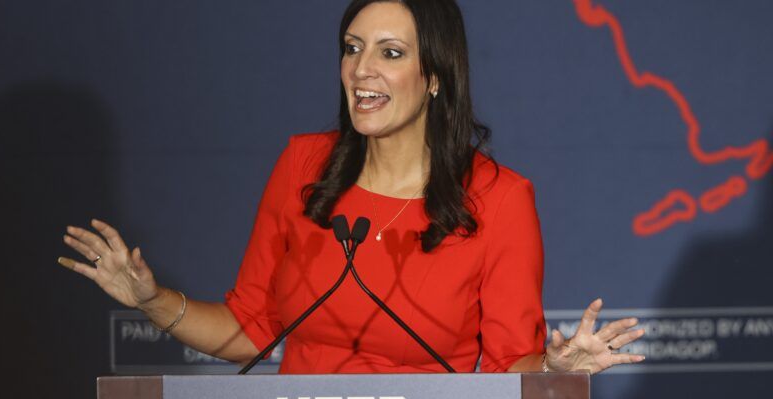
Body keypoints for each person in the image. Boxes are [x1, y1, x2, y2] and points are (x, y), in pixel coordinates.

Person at [58, 0, 644, 374]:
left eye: (390, 53)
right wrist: (150, 300)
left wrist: (553, 372)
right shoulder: (303, 166)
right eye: (352, 48)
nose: (362, 69)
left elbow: (508, 367)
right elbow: (252, 329)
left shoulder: (499, 198)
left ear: (434, 77)